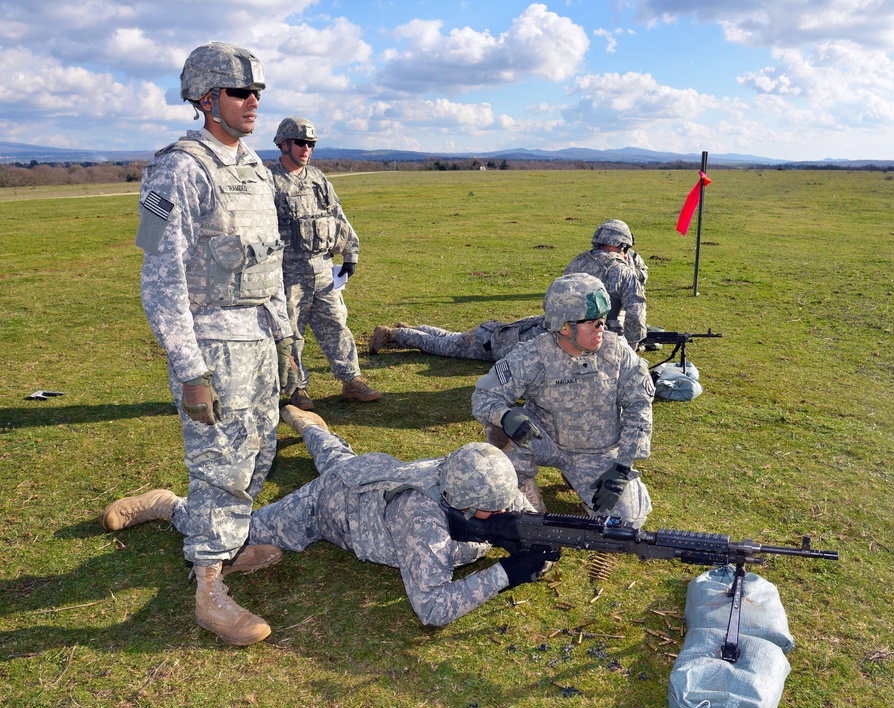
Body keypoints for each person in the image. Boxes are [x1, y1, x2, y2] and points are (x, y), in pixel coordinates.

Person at [122, 41, 297, 646]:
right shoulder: (178, 168)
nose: (253, 103)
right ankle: (209, 589)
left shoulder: (253, 169)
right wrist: (189, 368)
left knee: (257, 455)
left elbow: (269, 267)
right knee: (220, 466)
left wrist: (287, 340)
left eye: (257, 93)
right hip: (213, 346)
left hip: (258, 341)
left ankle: (211, 529)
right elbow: (161, 279)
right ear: (205, 99)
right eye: (240, 93)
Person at [102, 406, 557, 628]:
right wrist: (504, 573)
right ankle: (170, 506)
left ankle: (308, 424)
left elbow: (513, 511)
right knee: (236, 530)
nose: (503, 511)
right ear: (458, 502)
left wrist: (534, 538)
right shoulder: (421, 520)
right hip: (331, 507)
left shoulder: (481, 478)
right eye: (492, 510)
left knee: (335, 452)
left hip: (373, 470)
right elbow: (433, 608)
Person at [471, 273, 655, 526]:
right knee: (519, 514)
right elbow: (484, 395)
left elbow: (639, 408)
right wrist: (505, 416)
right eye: (591, 322)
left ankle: (579, 478)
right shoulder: (532, 355)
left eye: (602, 319)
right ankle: (521, 485)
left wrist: (622, 467)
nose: (601, 328)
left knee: (626, 522)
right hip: (542, 441)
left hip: (598, 452)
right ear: (564, 326)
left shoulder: (619, 353)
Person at [368, 218, 648, 358]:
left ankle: (416, 329)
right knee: (455, 346)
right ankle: (397, 334)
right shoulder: (624, 273)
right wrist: (631, 352)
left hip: (541, 330)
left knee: (463, 338)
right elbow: (635, 317)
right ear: (621, 247)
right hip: (536, 342)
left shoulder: (580, 260)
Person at [270, 115, 381, 409]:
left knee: (336, 324)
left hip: (322, 268)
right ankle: (297, 389)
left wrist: (351, 252)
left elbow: (337, 217)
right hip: (287, 271)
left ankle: (351, 380)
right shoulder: (269, 181)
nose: (306, 148)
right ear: (284, 144)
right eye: (300, 142)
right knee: (291, 332)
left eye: (311, 144)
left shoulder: (318, 178)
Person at [563, 219, 647, 349]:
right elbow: (636, 314)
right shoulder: (623, 271)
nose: (625, 254)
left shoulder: (576, 263)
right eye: (624, 248)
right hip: (604, 339)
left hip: (569, 337)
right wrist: (632, 346)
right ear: (614, 247)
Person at [369, 316, 546, 360]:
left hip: (491, 333)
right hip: (487, 344)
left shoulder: (551, 318)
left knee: (450, 338)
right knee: (438, 345)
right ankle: (391, 334)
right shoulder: (551, 335)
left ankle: (415, 330)